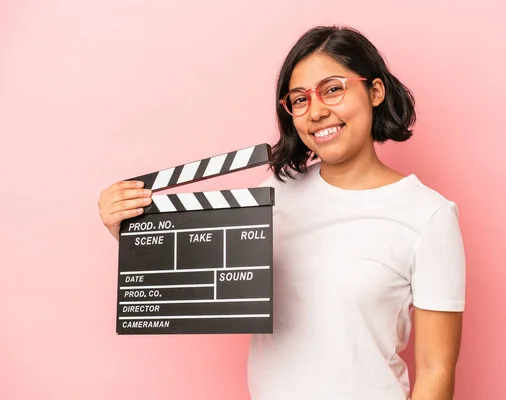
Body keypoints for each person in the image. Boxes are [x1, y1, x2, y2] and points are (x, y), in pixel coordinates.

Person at [98, 25, 466, 400]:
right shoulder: (276, 191)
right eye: (300, 99)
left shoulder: (428, 215)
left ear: (374, 91)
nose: (317, 111)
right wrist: (128, 228)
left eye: (333, 89)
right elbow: (201, 275)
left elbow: (436, 369)